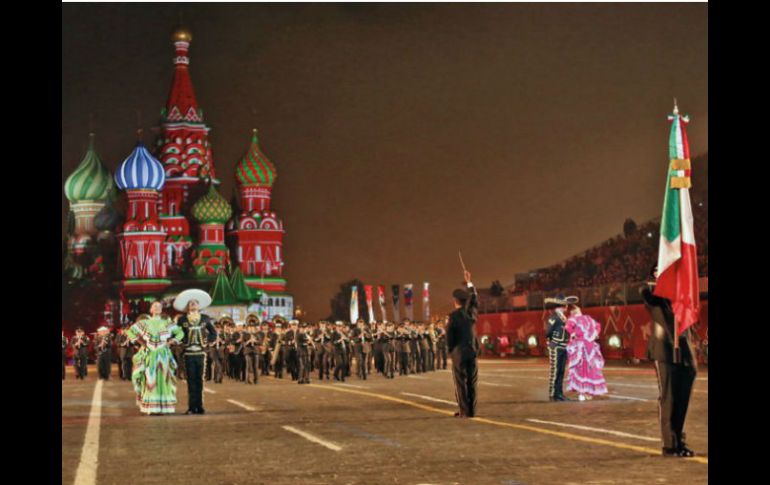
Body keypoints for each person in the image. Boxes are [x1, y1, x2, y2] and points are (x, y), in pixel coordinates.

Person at [641, 265, 697, 458]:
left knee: (682, 398)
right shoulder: (649, 290)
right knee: (669, 397)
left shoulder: (681, 290)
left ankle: (679, 440)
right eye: (659, 270)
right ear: (654, 274)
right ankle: (670, 444)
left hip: (685, 350)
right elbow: (653, 300)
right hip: (665, 349)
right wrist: (667, 286)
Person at [126, 303, 183, 415]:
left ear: (161, 310)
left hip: (163, 353)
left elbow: (180, 333)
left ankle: (163, 407)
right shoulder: (144, 323)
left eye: (159, 306)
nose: (157, 308)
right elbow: (130, 331)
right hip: (150, 353)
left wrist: (171, 342)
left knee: (163, 378)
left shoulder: (167, 322)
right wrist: (142, 342)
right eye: (154, 306)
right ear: (151, 309)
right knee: (150, 378)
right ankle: (151, 407)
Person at [175, 289, 217, 415]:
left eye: (195, 303)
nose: (193, 304)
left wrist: (208, 340)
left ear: (199, 306)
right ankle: (191, 407)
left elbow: (213, 333)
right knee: (191, 381)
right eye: (190, 303)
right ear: (187, 307)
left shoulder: (205, 318)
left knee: (200, 380)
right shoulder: (182, 320)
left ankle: (200, 406)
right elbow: (177, 333)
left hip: (201, 353)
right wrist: (182, 341)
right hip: (188, 353)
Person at [447, 270, 480, 417]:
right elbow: (474, 300)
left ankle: (464, 411)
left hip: (459, 352)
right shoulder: (472, 313)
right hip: (472, 350)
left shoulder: (453, 316)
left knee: (461, 382)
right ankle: (472, 410)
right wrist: (469, 282)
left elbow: (450, 336)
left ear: (455, 302)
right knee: (472, 382)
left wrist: (450, 350)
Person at [564, 299, 608, 401]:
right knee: (591, 368)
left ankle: (582, 392)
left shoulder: (573, 319)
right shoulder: (588, 318)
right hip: (590, 346)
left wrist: (573, 334)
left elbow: (568, 327)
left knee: (580, 369)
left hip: (580, 347)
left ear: (573, 312)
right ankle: (589, 392)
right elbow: (598, 326)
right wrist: (594, 335)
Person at [545, 294, 571, 401]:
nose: (566, 307)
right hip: (556, 346)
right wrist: (552, 342)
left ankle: (559, 393)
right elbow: (548, 332)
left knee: (561, 371)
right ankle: (553, 394)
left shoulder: (562, 317)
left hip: (563, 347)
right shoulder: (554, 317)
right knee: (555, 371)